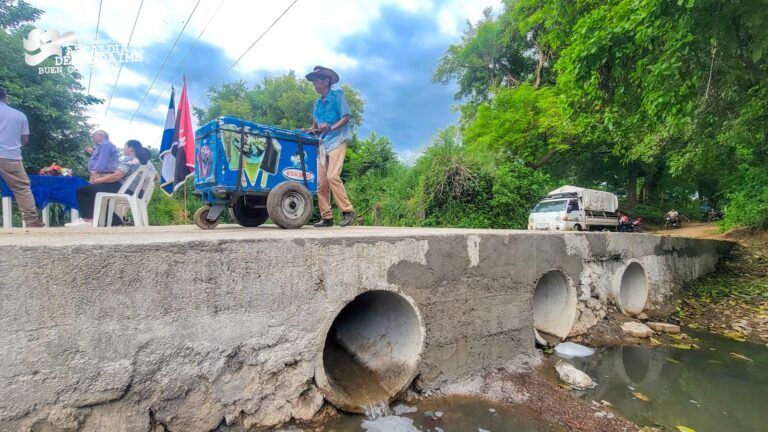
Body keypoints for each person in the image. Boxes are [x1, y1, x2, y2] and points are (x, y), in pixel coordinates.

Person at [305, 65, 355, 227]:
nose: (314, 84)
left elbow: (346, 117)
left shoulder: (338, 95)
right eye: (313, 81)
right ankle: (327, 217)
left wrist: (330, 127)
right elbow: (316, 128)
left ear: (326, 81)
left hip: (337, 140)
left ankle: (347, 210)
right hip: (322, 144)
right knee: (321, 182)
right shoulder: (316, 104)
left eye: (316, 81)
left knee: (332, 175)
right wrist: (309, 130)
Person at [66, 140, 149, 227]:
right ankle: (114, 220)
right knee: (96, 193)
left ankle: (88, 219)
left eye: (125, 146)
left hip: (122, 188)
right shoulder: (141, 161)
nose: (123, 149)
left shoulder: (129, 159)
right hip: (133, 190)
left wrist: (99, 180)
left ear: (131, 148)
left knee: (82, 190)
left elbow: (117, 176)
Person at [0, 87, 45, 227]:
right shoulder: (19, 115)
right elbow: (24, 139)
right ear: (6, 97)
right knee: (21, 187)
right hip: (10, 156)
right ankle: (31, 220)